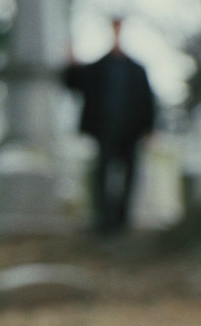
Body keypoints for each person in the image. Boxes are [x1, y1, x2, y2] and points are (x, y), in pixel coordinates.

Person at [64, 18, 156, 237]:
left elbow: (148, 100)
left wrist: (150, 128)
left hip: (131, 131)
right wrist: (70, 61)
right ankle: (104, 221)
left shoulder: (136, 69)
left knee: (129, 175)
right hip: (104, 131)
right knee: (102, 174)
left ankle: (122, 220)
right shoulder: (98, 67)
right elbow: (73, 83)